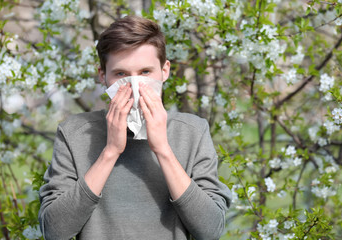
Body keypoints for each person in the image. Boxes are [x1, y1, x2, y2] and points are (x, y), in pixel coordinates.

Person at [38, 15, 231, 240]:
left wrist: (163, 150)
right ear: (103, 76)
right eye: (121, 74)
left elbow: (210, 230)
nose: (135, 86)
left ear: (165, 71)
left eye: (145, 72)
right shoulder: (75, 134)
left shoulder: (193, 132)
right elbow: (55, 231)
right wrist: (110, 151)